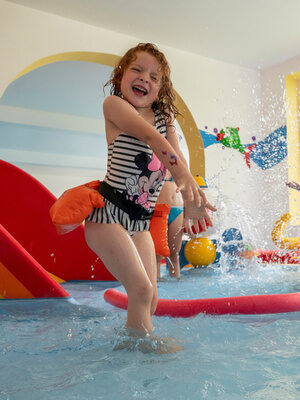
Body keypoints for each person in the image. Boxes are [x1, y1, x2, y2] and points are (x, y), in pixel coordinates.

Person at [84, 43, 217, 352]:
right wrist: (184, 180)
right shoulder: (114, 105)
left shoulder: (164, 117)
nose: (145, 78)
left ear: (161, 88)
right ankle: (142, 347)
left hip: (139, 223)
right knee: (141, 290)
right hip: (108, 215)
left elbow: (177, 157)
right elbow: (150, 138)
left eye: (154, 77)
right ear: (120, 76)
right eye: (137, 70)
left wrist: (191, 196)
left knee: (151, 299)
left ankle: (129, 346)